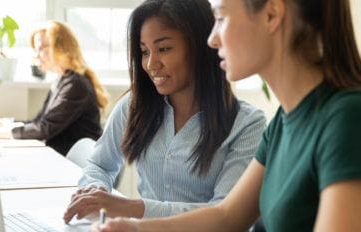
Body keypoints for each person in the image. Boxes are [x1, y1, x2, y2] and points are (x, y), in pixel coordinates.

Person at [90, 0, 361, 231]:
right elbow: (227, 217)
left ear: (271, 15)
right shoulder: (283, 121)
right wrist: (134, 228)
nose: (211, 39)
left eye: (221, 18)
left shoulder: (346, 119)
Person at [63, 0, 266, 223]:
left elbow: (224, 214)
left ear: (201, 46)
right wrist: (95, 193)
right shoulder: (134, 105)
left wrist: (131, 208)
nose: (151, 64)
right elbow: (99, 164)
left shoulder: (247, 124)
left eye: (164, 49)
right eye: (144, 51)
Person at [0, 21, 109, 156]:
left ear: (61, 48)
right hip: (60, 159)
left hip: (71, 166)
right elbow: (37, 123)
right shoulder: (63, 81)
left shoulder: (76, 85)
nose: (37, 54)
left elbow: (43, 129)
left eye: (41, 47)